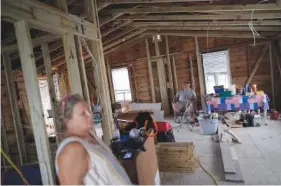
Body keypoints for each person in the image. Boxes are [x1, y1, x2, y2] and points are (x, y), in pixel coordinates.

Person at [55, 94, 131, 185]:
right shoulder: (72, 149)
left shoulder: (90, 137)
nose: (90, 115)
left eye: (89, 111)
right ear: (67, 121)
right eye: (83, 113)